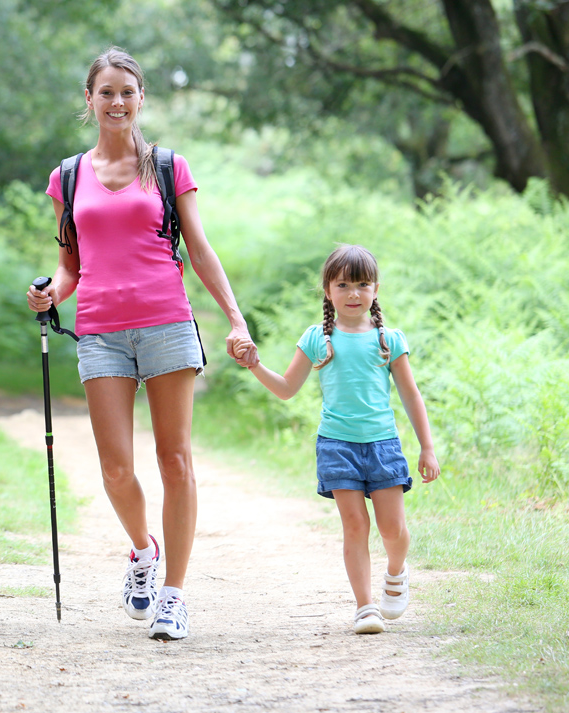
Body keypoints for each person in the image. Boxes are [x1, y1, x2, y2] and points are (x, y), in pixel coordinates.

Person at [27, 48, 256, 641]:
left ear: (141, 98)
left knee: (174, 460)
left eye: (127, 91)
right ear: (89, 99)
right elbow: (69, 265)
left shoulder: (169, 167)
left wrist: (235, 318)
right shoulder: (68, 176)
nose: (117, 102)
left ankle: (175, 595)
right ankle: (142, 551)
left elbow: (199, 249)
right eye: (106, 92)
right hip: (101, 330)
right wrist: (51, 292)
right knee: (115, 468)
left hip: (166, 324)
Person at [235, 244, 440, 634]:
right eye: (343, 284)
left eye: (362, 284)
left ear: (376, 289)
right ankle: (365, 607)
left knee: (393, 529)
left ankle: (395, 572)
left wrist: (427, 447)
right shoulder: (316, 338)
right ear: (327, 290)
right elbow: (286, 388)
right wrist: (255, 364)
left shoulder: (389, 339)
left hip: (383, 445)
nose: (353, 293)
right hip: (337, 446)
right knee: (354, 525)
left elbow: (412, 395)